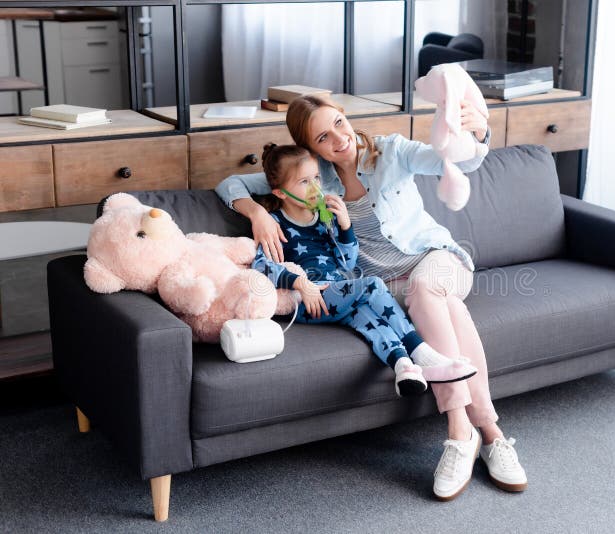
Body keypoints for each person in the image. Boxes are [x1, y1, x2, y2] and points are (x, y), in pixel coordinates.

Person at [216, 96, 527, 500]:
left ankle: (459, 432)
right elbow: (231, 184)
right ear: (311, 148)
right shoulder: (315, 179)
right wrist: (257, 213)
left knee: (426, 289)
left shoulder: (392, 151)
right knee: (446, 308)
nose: (339, 138)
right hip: (388, 284)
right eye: (322, 137)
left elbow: (454, 162)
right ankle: (492, 434)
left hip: (435, 260)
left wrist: (479, 133)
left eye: (338, 123)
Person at [251, 142, 478, 397]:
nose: (315, 187)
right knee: (372, 286)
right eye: (304, 182)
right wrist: (300, 283)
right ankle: (420, 351)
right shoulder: (273, 224)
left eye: (316, 178)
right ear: (281, 193)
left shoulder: (324, 218)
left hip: (339, 293)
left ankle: (404, 368)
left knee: (369, 318)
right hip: (309, 299)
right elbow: (260, 266)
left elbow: (347, 263)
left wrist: (345, 226)